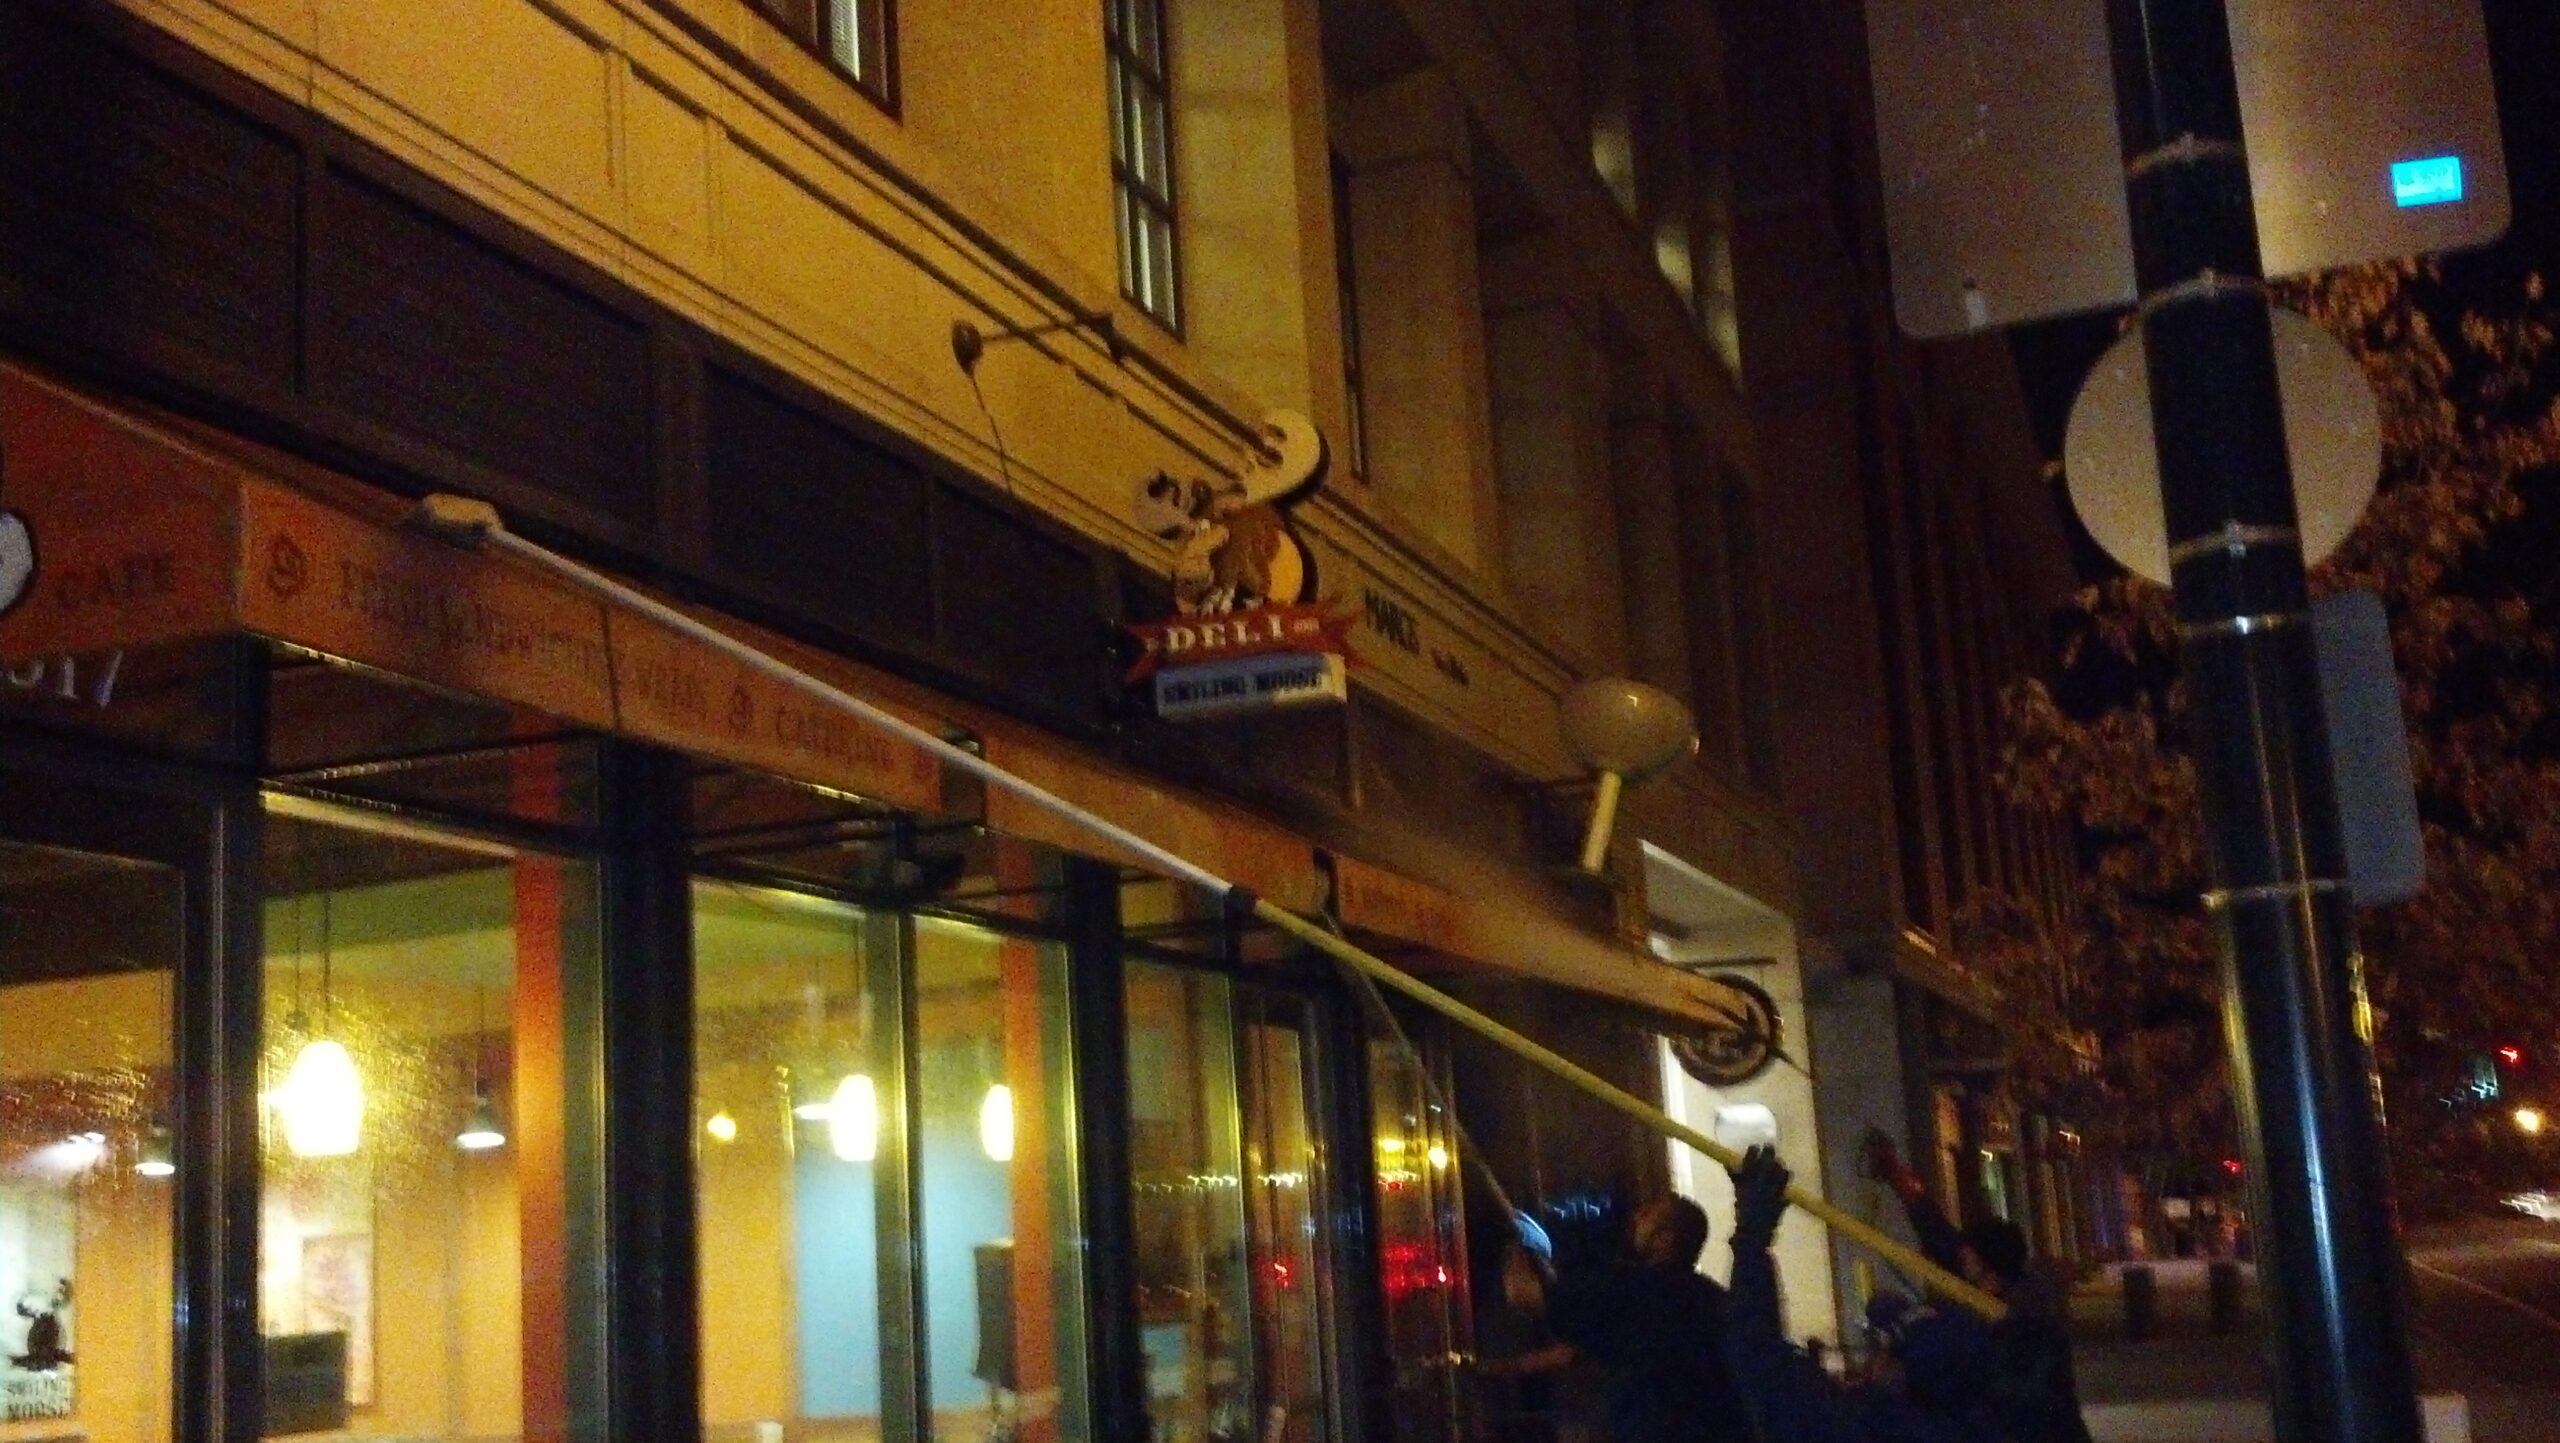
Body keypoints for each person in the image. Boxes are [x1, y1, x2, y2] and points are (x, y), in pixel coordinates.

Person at [1722, 1145, 2003, 1443]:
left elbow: (1760, 1362)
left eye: (1885, 1348)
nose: (1873, 1360)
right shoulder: (1986, 1421)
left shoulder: (1863, 1426)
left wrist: (1752, 1237)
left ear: (1900, 1373)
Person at [1863, 1134, 2093, 1443]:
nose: (1963, 1255)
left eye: (1970, 1253)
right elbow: (1937, 1230)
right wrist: (1896, 1175)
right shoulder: (1997, 1290)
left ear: (1987, 1265)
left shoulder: (2016, 1323)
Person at [1486, 1194, 1752, 1443]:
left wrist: (1514, 1239)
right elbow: (1574, 1351)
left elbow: (1522, 1294)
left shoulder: (1636, 1290)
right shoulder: (1711, 1300)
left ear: (1665, 1239)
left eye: (1647, 1215)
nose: (1636, 1217)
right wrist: (1498, 1368)